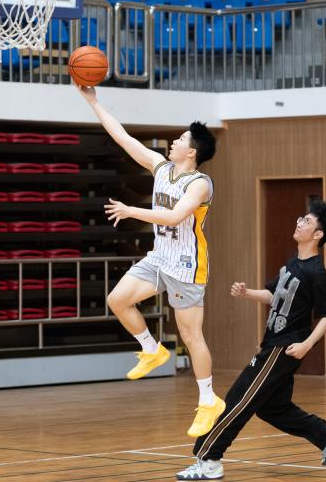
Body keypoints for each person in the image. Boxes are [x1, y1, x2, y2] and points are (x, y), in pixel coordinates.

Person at [77, 84, 224, 438]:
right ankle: (151, 348)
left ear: (192, 151)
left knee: (191, 335)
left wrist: (132, 211)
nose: (174, 141)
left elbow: (174, 217)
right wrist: (93, 101)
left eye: (180, 139)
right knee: (117, 299)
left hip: (187, 266)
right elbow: (123, 138)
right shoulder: (160, 167)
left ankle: (209, 401)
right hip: (160, 258)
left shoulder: (200, 184)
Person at [176, 199, 326, 481]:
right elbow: (274, 295)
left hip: (283, 348)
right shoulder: (294, 263)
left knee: (237, 400)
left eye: (306, 221)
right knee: (272, 408)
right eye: (301, 218)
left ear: (318, 234)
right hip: (273, 344)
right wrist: (247, 293)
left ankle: (209, 460)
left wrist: (307, 345)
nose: (299, 222)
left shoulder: (317, 272)